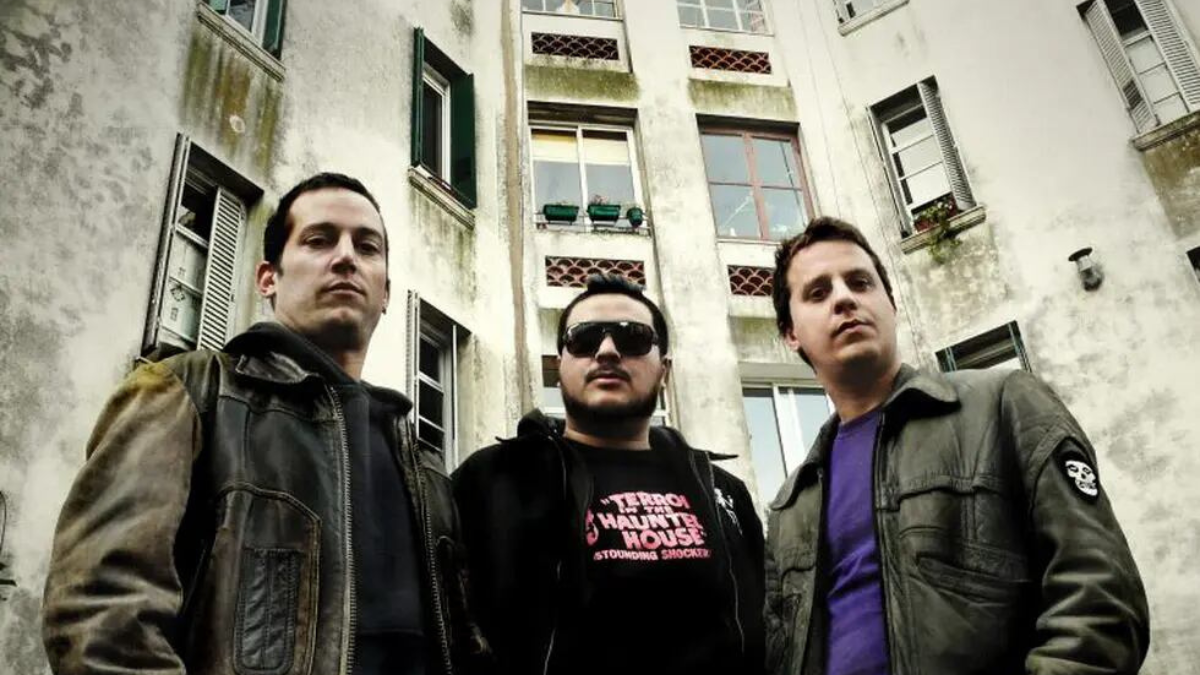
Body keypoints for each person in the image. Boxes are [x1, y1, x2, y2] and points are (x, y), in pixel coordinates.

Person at [42, 172, 486, 675]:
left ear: (385, 292)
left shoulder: (425, 465)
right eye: (319, 240)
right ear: (268, 278)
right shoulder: (188, 392)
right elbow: (103, 617)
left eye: (367, 247)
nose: (346, 257)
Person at [763, 216, 1150, 675]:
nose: (844, 298)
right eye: (818, 293)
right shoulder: (790, 506)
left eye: (860, 282)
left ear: (891, 303)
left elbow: (1100, 597)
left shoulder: (1003, 403)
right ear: (791, 333)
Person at [452, 274, 764, 675]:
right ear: (558, 366)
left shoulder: (725, 493)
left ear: (664, 369)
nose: (607, 351)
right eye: (584, 339)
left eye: (633, 338)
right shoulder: (492, 479)